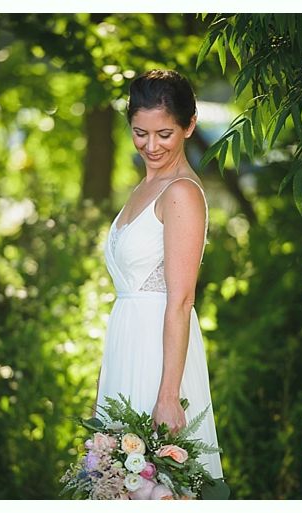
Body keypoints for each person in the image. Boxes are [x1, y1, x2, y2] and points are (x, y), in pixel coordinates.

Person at [95, 69, 223, 481]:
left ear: (190, 125)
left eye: (164, 134)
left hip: (160, 354)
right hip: (126, 342)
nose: (150, 146)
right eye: (140, 133)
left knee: (161, 480)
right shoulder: (143, 187)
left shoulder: (182, 192)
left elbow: (181, 299)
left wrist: (169, 395)